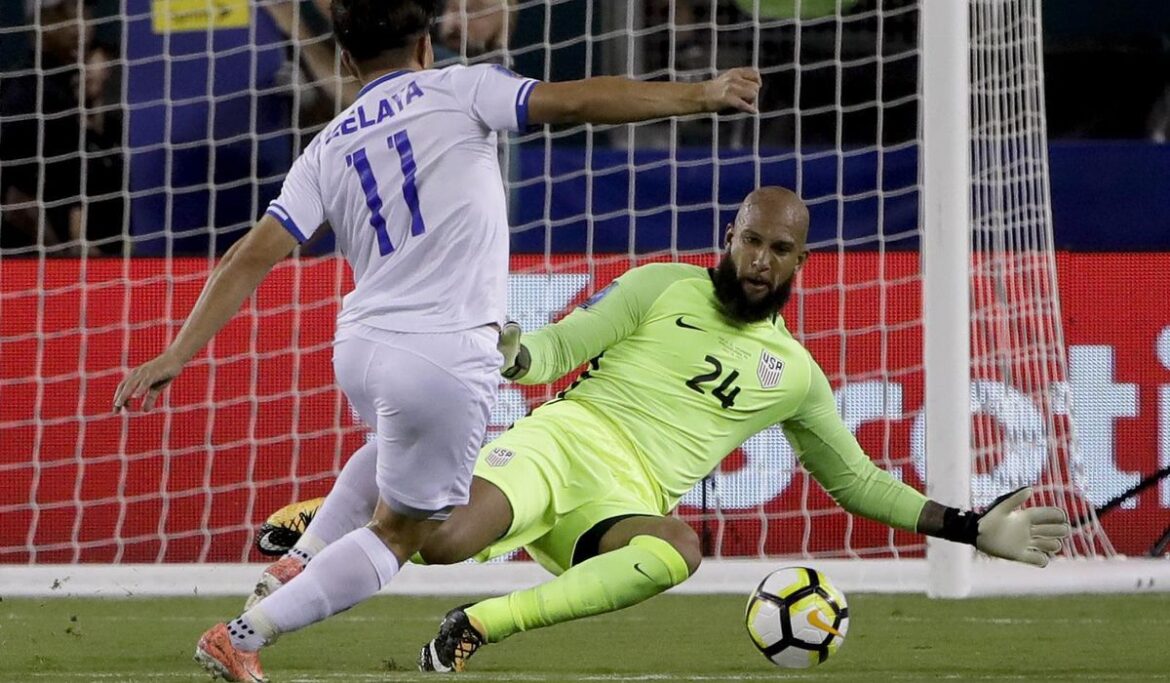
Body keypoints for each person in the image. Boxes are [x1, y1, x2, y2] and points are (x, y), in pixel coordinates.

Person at [112, 0, 761, 680]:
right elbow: (576, 101)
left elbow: (249, 254)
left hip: (359, 347)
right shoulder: (462, 87)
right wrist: (700, 94)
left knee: (397, 453)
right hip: (442, 353)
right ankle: (242, 635)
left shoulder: (327, 144)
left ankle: (300, 559)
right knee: (408, 535)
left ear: (349, 61)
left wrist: (176, 352)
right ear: (425, 46)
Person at [248, 186, 1072, 673]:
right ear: (729, 237)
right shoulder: (661, 286)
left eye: (779, 248)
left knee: (679, 545)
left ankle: (477, 625)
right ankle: (338, 512)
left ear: (800, 262)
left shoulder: (797, 376)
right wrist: (517, 352)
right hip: (562, 442)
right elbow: (559, 349)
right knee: (442, 543)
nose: (760, 259)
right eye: (751, 240)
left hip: (623, 502)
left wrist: (968, 526)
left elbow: (855, 480)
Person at [0, 0, 124, 255]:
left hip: (91, 258)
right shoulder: (27, 93)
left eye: (84, 12)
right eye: (64, 14)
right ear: (40, 23)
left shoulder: (75, 89)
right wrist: (62, 256)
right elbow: (18, 203)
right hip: (28, 264)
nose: (79, 25)